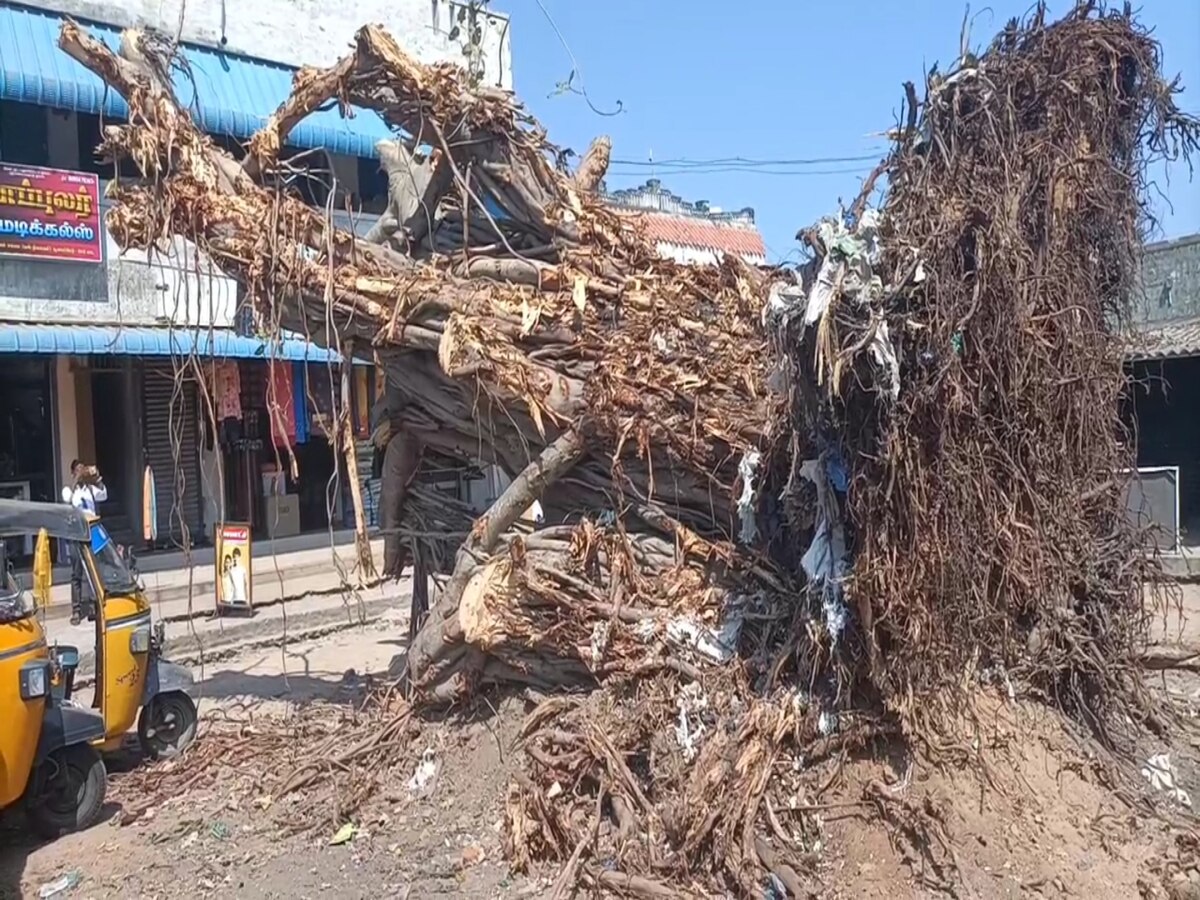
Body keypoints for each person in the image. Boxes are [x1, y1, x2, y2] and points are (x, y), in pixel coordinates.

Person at [61, 460, 107, 625]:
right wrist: (76, 481)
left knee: (92, 571)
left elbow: (104, 495)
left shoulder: (90, 490)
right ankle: (76, 610)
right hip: (76, 534)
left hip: (91, 532)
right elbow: (68, 501)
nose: (81, 473)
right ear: (73, 472)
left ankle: (94, 606)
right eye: (78, 470)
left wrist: (96, 478)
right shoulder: (69, 490)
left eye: (82, 469)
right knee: (77, 573)